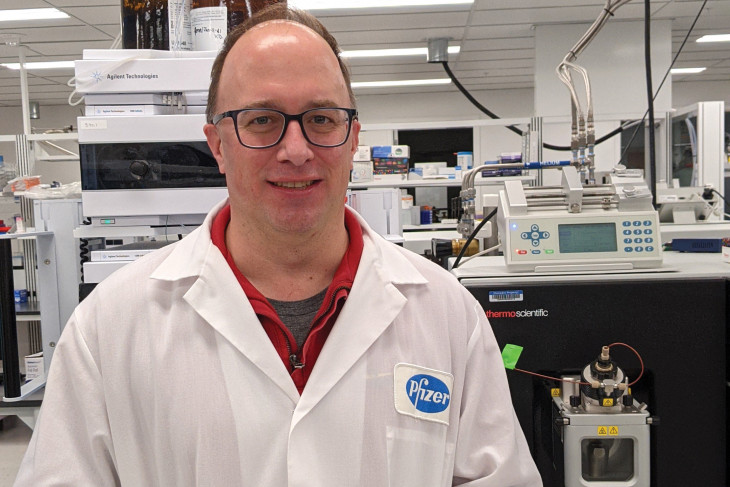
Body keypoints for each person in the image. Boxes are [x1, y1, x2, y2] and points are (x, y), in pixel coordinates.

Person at [15, 5, 541, 486]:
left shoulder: (448, 315)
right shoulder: (110, 327)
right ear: (217, 144)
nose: (295, 150)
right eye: (262, 120)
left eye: (321, 119)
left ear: (353, 138)